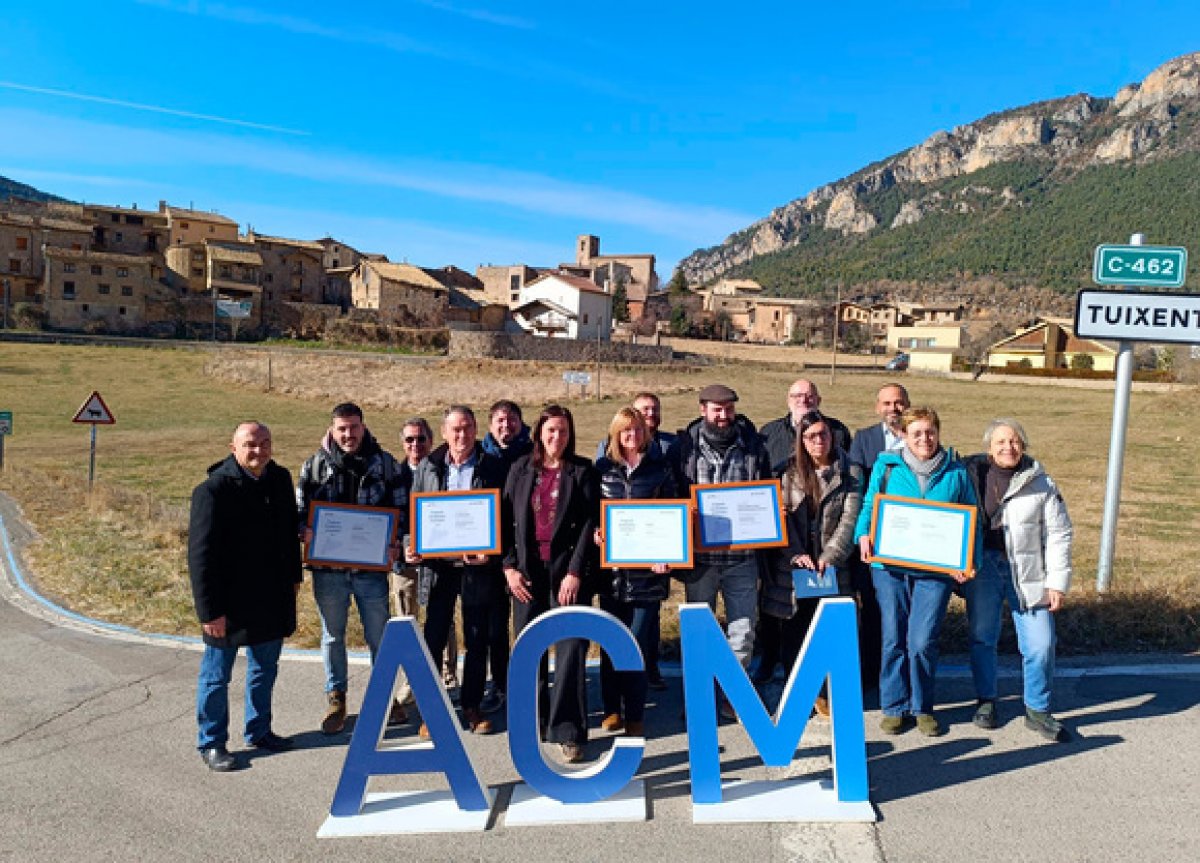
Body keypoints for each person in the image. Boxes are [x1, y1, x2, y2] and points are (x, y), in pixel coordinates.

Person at [854, 406, 978, 737]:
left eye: (930, 432)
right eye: (917, 433)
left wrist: (968, 561)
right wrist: (862, 534)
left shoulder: (956, 471)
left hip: (935, 571)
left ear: (938, 433)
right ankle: (894, 706)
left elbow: (972, 519)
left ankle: (922, 706)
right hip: (889, 568)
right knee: (893, 636)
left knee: (922, 641)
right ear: (904, 435)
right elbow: (869, 504)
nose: (925, 439)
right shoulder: (886, 466)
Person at [188, 421, 302, 771]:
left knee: (264, 669)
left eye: (265, 443)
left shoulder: (279, 479)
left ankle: (259, 730)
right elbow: (200, 557)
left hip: (271, 597)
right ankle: (212, 742)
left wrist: (294, 580)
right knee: (216, 677)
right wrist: (209, 612)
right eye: (251, 444)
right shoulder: (212, 491)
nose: (259, 451)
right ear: (233, 447)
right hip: (228, 605)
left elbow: (288, 535)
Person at [296, 402, 409, 734]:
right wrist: (304, 531)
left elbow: (402, 513)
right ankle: (336, 697)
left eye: (353, 427)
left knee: (378, 636)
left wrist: (395, 543)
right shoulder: (313, 466)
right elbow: (300, 512)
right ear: (332, 430)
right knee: (333, 636)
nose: (348, 434)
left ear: (363, 427)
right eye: (342, 429)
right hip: (329, 571)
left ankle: (384, 696)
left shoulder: (385, 465)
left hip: (371, 572)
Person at [963, 419, 1073, 742]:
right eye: (1000, 442)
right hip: (983, 568)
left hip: (1028, 572)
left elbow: (1059, 533)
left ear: (1023, 446)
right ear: (989, 448)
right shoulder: (971, 474)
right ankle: (986, 700)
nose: (1008, 447)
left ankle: (1038, 709)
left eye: (1014, 441)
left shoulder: (1041, 482)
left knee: (1041, 643)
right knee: (983, 637)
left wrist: (1057, 582)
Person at [503, 405, 600, 763]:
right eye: (550, 430)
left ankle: (568, 730)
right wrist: (509, 568)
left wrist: (575, 571)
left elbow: (590, 524)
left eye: (563, 431)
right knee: (531, 648)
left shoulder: (582, 471)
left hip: (567, 574)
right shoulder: (520, 469)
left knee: (571, 647)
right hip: (527, 574)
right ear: (539, 433)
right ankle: (535, 722)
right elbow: (504, 520)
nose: (556, 437)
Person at [670, 383, 771, 720]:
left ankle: (732, 694)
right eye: (717, 410)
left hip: (742, 559)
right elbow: (672, 495)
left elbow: (765, 491)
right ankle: (699, 697)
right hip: (701, 561)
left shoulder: (753, 446)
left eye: (728, 409)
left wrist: (771, 513)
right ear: (703, 410)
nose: (723, 416)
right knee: (700, 632)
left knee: (743, 630)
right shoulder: (684, 448)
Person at [407, 406, 508, 737]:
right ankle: (432, 711)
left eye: (467, 428)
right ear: (444, 432)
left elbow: (505, 518)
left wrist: (491, 553)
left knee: (477, 639)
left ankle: (472, 706)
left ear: (476, 430)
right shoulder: (428, 466)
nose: (461, 435)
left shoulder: (493, 466)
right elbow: (413, 514)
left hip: (478, 569)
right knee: (434, 638)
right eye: (455, 429)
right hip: (439, 569)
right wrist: (411, 545)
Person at [759, 411, 863, 713]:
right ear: (801, 441)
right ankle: (799, 693)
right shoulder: (786, 472)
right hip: (795, 568)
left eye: (823, 434)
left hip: (833, 567)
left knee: (831, 631)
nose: (818, 441)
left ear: (832, 436)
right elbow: (781, 517)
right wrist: (795, 554)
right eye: (811, 436)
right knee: (795, 629)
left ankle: (828, 690)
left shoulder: (851, 472)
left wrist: (830, 556)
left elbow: (850, 520)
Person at [593, 407, 680, 736]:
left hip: (648, 578)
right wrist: (596, 533)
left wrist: (667, 554)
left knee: (637, 646)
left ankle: (635, 714)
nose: (632, 435)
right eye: (625, 430)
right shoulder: (603, 471)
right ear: (615, 434)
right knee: (610, 643)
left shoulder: (661, 471)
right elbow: (592, 515)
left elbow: (673, 517)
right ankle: (611, 709)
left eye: (638, 429)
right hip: (612, 576)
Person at [390, 418, 460, 703]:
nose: (415, 445)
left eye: (421, 439)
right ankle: (412, 681)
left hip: (438, 562)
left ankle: (448, 676)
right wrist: (404, 546)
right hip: (405, 562)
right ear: (402, 443)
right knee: (407, 622)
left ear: (431, 441)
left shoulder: (441, 470)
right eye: (409, 439)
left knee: (442, 619)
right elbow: (389, 517)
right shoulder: (394, 474)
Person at [846, 382, 911, 691]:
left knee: (908, 610)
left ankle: (907, 675)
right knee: (874, 608)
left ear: (907, 405)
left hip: (912, 536)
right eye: (886, 403)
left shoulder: (919, 436)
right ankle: (873, 674)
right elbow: (857, 488)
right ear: (877, 407)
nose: (893, 408)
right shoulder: (864, 439)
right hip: (875, 537)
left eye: (898, 403)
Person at [477, 400, 534, 714]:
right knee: (494, 628)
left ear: (521, 423)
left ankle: (529, 684)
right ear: (490, 425)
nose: (506, 425)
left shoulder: (533, 454)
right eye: (500, 420)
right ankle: (500, 684)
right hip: (489, 557)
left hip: (525, 553)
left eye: (512, 420)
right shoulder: (480, 457)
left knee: (526, 626)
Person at [760, 379, 852, 477]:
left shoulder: (838, 431)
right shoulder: (769, 433)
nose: (803, 400)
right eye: (797, 396)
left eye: (809, 396)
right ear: (788, 401)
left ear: (818, 400)